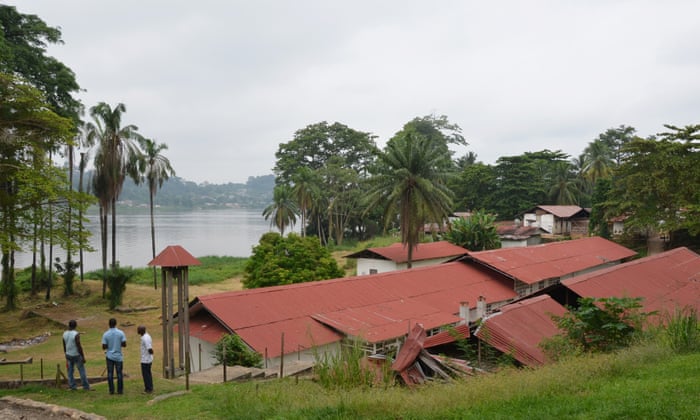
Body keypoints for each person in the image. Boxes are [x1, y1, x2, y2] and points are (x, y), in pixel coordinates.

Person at [62, 320, 90, 390]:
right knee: (81, 371)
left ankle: (72, 386)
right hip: (76, 355)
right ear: (75, 326)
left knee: (70, 372)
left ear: (69, 325)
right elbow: (79, 346)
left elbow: (64, 345)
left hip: (68, 354)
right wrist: (83, 356)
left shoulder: (64, 333)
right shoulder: (76, 334)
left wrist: (65, 353)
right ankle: (86, 386)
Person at [101, 318, 126, 395]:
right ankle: (120, 390)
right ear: (116, 324)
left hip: (109, 356)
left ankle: (111, 390)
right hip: (118, 356)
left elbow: (104, 346)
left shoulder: (106, 334)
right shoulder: (121, 333)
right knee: (119, 373)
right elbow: (124, 344)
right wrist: (118, 344)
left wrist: (109, 345)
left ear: (109, 324)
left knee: (110, 373)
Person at [137, 325, 154, 393]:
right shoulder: (145, 336)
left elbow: (149, 348)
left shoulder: (145, 338)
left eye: (138, 330)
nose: (137, 331)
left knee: (146, 375)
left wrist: (151, 354)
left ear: (142, 330)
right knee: (148, 374)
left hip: (146, 360)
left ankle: (148, 389)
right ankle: (149, 387)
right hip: (146, 358)